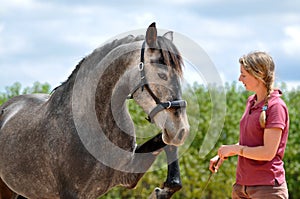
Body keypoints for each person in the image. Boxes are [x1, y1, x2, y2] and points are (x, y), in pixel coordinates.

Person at [209, 51, 289, 199]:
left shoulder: (276, 106)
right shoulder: (251, 102)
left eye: (244, 74)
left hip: (267, 188)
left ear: (259, 74)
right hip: (241, 188)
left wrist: (235, 149)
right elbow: (252, 142)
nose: (239, 79)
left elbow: (268, 152)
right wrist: (225, 153)